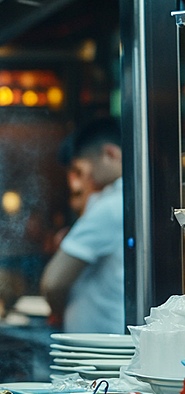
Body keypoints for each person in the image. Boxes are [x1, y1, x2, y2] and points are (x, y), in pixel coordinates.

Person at [40, 117, 124, 334]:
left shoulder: (111, 206)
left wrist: (57, 310)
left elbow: (53, 283)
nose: (80, 181)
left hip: (97, 352)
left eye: (80, 170)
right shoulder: (121, 201)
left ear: (111, 154)